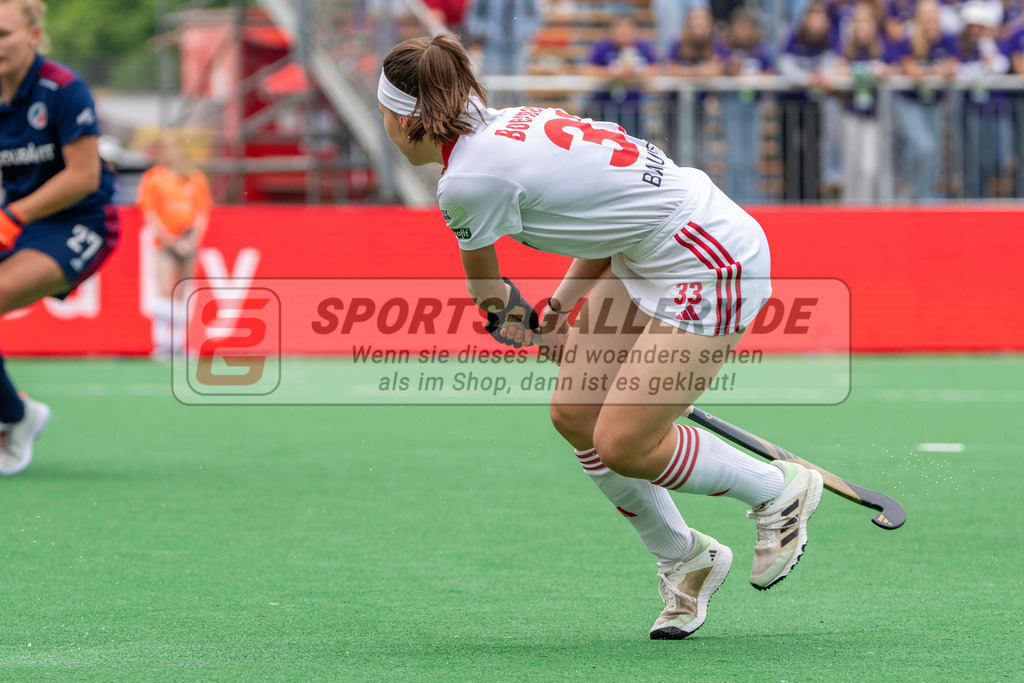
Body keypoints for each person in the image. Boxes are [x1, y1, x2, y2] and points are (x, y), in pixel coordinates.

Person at [377, 33, 824, 639]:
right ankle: (684, 557)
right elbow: (608, 227)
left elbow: (491, 294)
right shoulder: (515, 122)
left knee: (625, 443)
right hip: (647, 251)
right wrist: (558, 311)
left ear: (404, 119)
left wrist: (517, 324)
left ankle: (779, 489)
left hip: (708, 261)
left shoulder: (466, 183)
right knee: (576, 414)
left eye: (382, 114)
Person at [0, 0, 118, 475]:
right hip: (20, 219)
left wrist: (11, 215)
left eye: (3, 34)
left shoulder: (63, 88)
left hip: (80, 224)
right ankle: (16, 416)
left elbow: (85, 176)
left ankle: (15, 417)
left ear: (33, 34)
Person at [136, 132, 212, 359]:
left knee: (182, 291)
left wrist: (191, 240)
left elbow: (202, 213)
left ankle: (178, 344)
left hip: (188, 243)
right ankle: (161, 343)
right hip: (165, 244)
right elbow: (150, 213)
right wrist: (170, 238)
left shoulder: (194, 178)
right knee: (163, 290)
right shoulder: (154, 178)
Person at [890, 0, 961, 200]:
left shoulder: (946, 39)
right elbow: (910, 70)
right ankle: (917, 195)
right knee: (923, 146)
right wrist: (934, 71)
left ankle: (924, 194)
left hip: (933, 102)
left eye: (932, 16)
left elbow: (952, 66)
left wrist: (927, 72)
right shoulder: (907, 40)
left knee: (931, 151)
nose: (929, 20)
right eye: (925, 16)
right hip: (909, 102)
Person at [835, 1, 893, 202]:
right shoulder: (846, 50)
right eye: (858, 23)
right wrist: (865, 72)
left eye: (865, 23)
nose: (861, 27)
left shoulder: (882, 48)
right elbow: (839, 72)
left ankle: (867, 209)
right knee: (852, 166)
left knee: (870, 167)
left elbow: (889, 69)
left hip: (874, 117)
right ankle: (850, 210)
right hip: (851, 113)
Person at [716, 8, 774, 204]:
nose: (743, 32)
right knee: (734, 157)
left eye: (746, 27)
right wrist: (729, 69)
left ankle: (751, 200)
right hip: (732, 103)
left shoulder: (761, 49)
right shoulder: (724, 48)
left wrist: (753, 78)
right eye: (739, 27)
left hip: (752, 105)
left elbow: (770, 73)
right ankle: (733, 199)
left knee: (751, 157)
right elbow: (715, 70)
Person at [581, 13, 659, 137]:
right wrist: (613, 73)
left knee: (634, 143)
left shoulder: (643, 46)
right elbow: (588, 71)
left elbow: (655, 70)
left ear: (635, 30)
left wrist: (635, 73)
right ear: (611, 30)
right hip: (604, 108)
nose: (623, 31)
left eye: (627, 26)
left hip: (634, 109)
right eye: (619, 26)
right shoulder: (603, 46)